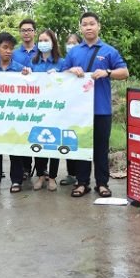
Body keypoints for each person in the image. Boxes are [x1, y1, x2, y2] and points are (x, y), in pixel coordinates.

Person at [63, 12, 129, 198]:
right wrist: (71, 70)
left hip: (101, 109)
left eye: (92, 23)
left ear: (99, 26)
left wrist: (108, 72)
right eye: (85, 24)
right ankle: (82, 183)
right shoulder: (74, 52)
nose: (88, 27)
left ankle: (102, 183)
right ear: (80, 28)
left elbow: (124, 72)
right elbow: (62, 74)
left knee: (101, 148)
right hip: (79, 110)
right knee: (82, 146)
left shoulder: (109, 51)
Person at [0, 31, 31, 193]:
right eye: (5, 47)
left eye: (11, 48)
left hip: (14, 116)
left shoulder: (21, 70)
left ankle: (16, 180)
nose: (8, 51)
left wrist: (28, 77)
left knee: (15, 148)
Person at [31, 29, 65, 192]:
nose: (43, 43)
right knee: (38, 143)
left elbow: (69, 82)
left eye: (46, 40)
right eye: (41, 40)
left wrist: (61, 75)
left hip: (56, 109)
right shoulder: (33, 62)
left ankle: (52, 177)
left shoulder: (61, 62)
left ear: (53, 43)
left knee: (54, 143)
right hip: (37, 109)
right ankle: (40, 176)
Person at [13, 18, 39, 178]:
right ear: (20, 33)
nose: (26, 33)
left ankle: (42, 169)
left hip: (38, 101)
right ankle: (25, 168)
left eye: (29, 30)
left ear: (34, 32)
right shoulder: (14, 53)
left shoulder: (42, 51)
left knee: (38, 134)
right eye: (23, 30)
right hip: (19, 101)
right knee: (22, 134)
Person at [59, 32, 82, 186]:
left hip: (82, 107)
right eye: (68, 43)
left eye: (74, 43)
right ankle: (71, 173)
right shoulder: (65, 60)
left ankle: (82, 176)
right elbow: (60, 76)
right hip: (67, 107)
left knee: (80, 139)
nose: (70, 46)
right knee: (68, 140)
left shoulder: (83, 58)